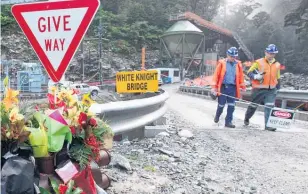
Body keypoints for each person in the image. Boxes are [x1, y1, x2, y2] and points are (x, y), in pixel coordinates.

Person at [244, 44, 281, 131]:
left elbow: (278, 77)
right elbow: (249, 72)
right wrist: (256, 76)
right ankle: (247, 117)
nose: (271, 55)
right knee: (253, 106)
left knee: (269, 106)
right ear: (266, 52)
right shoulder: (258, 62)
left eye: (273, 54)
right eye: (270, 53)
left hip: (271, 90)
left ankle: (268, 125)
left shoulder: (277, 64)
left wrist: (278, 87)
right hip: (258, 89)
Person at [211, 47, 246, 128]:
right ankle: (217, 116)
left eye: (234, 57)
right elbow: (216, 76)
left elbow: (240, 76)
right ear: (227, 55)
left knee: (231, 106)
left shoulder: (238, 65)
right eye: (231, 56)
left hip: (232, 88)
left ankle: (228, 122)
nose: (233, 58)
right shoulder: (222, 63)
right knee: (221, 105)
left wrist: (242, 86)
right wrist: (214, 87)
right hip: (223, 87)